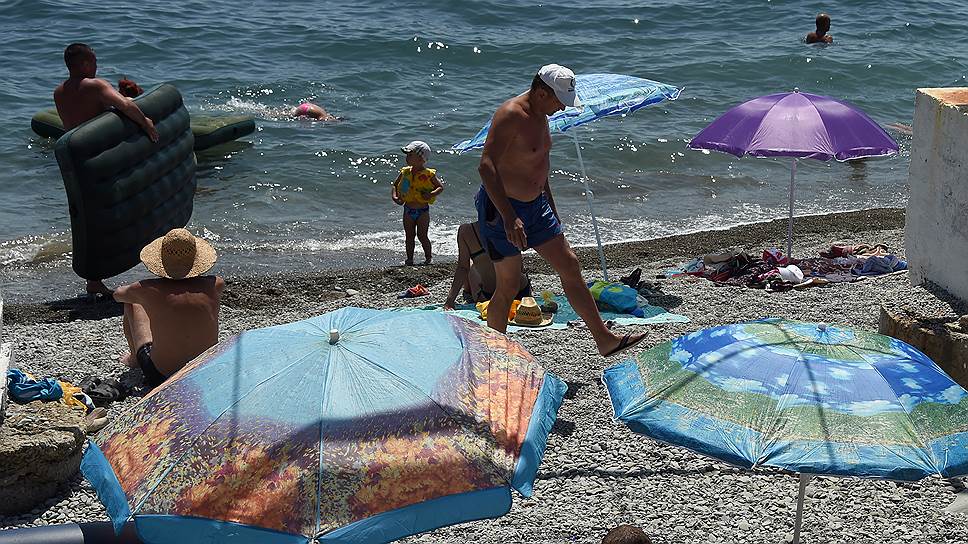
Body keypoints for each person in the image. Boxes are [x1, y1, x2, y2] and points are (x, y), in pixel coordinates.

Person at [476, 64, 646, 357]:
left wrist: (551, 209)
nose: (562, 108)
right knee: (508, 284)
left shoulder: (542, 115)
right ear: (541, 93)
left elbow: (539, 166)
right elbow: (486, 167)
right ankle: (495, 355)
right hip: (503, 209)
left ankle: (604, 339)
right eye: (559, 100)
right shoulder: (511, 114)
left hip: (537, 207)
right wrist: (509, 217)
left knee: (570, 265)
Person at [53, 43, 159, 297]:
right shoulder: (96, 85)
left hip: (76, 165)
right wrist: (146, 124)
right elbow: (126, 106)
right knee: (118, 215)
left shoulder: (59, 92)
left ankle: (94, 281)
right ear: (84, 64)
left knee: (90, 222)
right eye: (93, 60)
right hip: (101, 162)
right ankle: (148, 260)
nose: (96, 65)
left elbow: (84, 120)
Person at [113, 228, 224, 388]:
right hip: (205, 371)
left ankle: (134, 359)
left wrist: (145, 293)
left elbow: (118, 295)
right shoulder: (215, 284)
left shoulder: (147, 289)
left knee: (133, 302)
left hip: (162, 376)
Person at [443, 222, 531, 310]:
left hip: (490, 296)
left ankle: (467, 293)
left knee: (471, 267)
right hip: (520, 291)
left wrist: (450, 301)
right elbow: (519, 262)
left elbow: (463, 268)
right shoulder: (510, 224)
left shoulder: (467, 231)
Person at [391, 140, 443, 265]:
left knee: (422, 235)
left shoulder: (429, 174)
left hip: (423, 211)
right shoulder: (405, 172)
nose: (407, 158)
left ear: (421, 159)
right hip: (408, 210)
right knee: (409, 236)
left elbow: (440, 187)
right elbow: (395, 185)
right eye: (407, 155)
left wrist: (431, 194)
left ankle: (428, 257)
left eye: (410, 155)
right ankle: (409, 259)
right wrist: (395, 197)